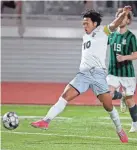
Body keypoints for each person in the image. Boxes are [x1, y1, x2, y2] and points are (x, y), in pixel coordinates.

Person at [31, 6, 131, 143]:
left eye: (86, 23)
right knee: (65, 96)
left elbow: (114, 24)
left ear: (95, 24)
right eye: (83, 23)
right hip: (83, 74)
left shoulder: (102, 31)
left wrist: (124, 13)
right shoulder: (85, 37)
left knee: (108, 106)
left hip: (98, 74)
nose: (84, 26)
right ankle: (46, 121)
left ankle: (119, 129)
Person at [107, 8, 137, 133]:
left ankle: (135, 123)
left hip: (127, 73)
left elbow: (135, 54)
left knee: (130, 100)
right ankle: (121, 96)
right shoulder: (111, 35)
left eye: (124, 17)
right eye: (119, 16)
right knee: (107, 95)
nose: (121, 19)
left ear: (128, 20)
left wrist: (125, 57)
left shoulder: (131, 37)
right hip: (113, 72)